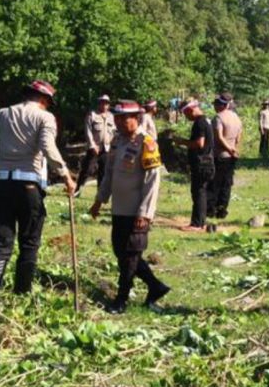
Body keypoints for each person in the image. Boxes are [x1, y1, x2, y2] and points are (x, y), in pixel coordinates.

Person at [0, 80, 76, 311]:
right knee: (29, 241)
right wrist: (65, 175)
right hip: (29, 186)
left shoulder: (2, 114)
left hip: (1, 184)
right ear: (44, 100)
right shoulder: (45, 118)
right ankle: (21, 293)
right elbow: (47, 146)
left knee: (2, 241)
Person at [90, 100, 169, 313]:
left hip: (136, 211)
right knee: (122, 252)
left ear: (137, 118)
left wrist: (145, 213)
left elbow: (153, 182)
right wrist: (99, 200)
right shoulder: (117, 141)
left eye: (125, 118)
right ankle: (155, 286)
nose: (120, 122)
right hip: (119, 209)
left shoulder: (147, 142)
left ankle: (121, 300)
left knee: (130, 255)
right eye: (117, 118)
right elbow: (109, 174)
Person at [174, 99, 215, 231]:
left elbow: (199, 143)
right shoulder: (206, 120)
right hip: (207, 162)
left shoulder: (200, 122)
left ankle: (197, 224)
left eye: (186, 114)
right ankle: (199, 221)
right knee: (200, 192)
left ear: (190, 110)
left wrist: (182, 142)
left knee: (199, 192)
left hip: (201, 163)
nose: (186, 117)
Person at [207, 93, 242, 221]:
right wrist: (234, 148)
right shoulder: (236, 117)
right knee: (226, 184)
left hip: (220, 155)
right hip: (232, 155)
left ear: (222, 105)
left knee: (214, 183)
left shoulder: (218, 118)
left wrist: (228, 149)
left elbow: (219, 137)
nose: (215, 107)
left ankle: (211, 210)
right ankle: (222, 210)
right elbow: (239, 135)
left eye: (216, 104)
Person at [74, 94, 115, 197]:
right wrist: (92, 145)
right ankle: (77, 190)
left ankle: (100, 194)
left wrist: (113, 146)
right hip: (94, 148)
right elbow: (87, 131)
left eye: (106, 103)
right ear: (99, 103)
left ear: (108, 105)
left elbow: (114, 132)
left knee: (103, 171)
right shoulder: (92, 115)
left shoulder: (111, 117)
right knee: (86, 170)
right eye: (102, 102)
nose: (104, 105)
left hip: (106, 148)